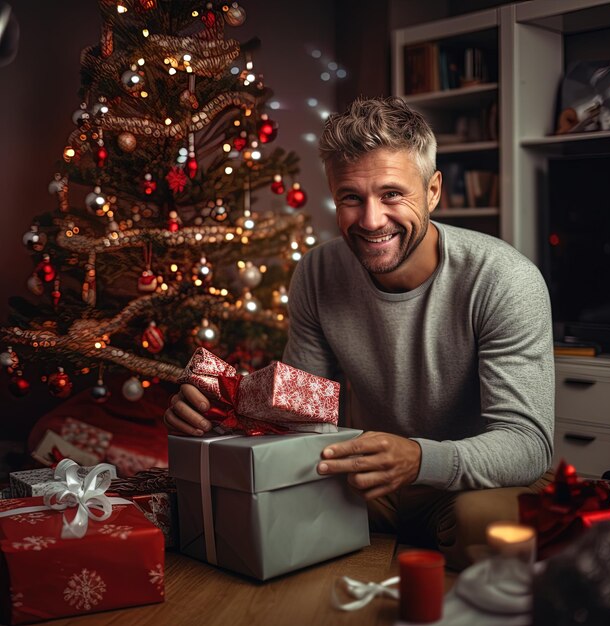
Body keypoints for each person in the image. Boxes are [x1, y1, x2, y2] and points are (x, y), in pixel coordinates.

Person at [164, 96, 555, 570]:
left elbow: (527, 443)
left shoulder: (504, 279)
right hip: (368, 479)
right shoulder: (316, 272)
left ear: (432, 191)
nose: (371, 221)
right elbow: (299, 412)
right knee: (267, 501)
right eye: (351, 197)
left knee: (487, 526)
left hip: (477, 482)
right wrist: (219, 410)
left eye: (393, 194)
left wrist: (418, 457)